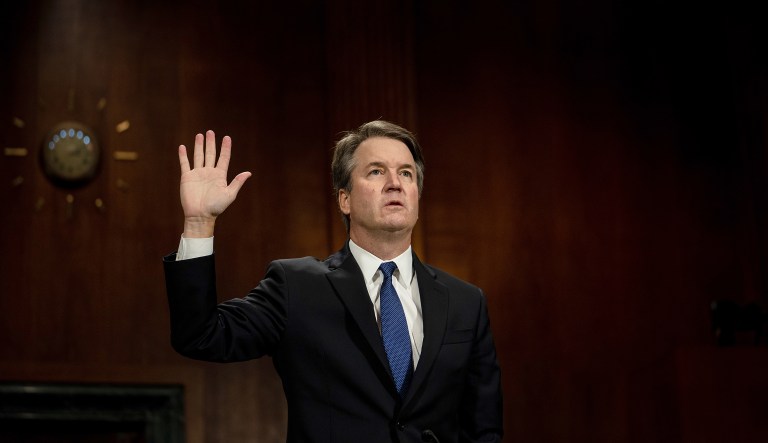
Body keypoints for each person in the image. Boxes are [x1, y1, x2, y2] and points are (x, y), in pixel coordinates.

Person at [163, 120, 503, 443]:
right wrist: (198, 223)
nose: (395, 183)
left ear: (416, 194)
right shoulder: (296, 287)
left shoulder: (465, 302)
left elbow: (483, 430)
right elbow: (201, 336)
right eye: (376, 171)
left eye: (406, 173)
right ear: (345, 199)